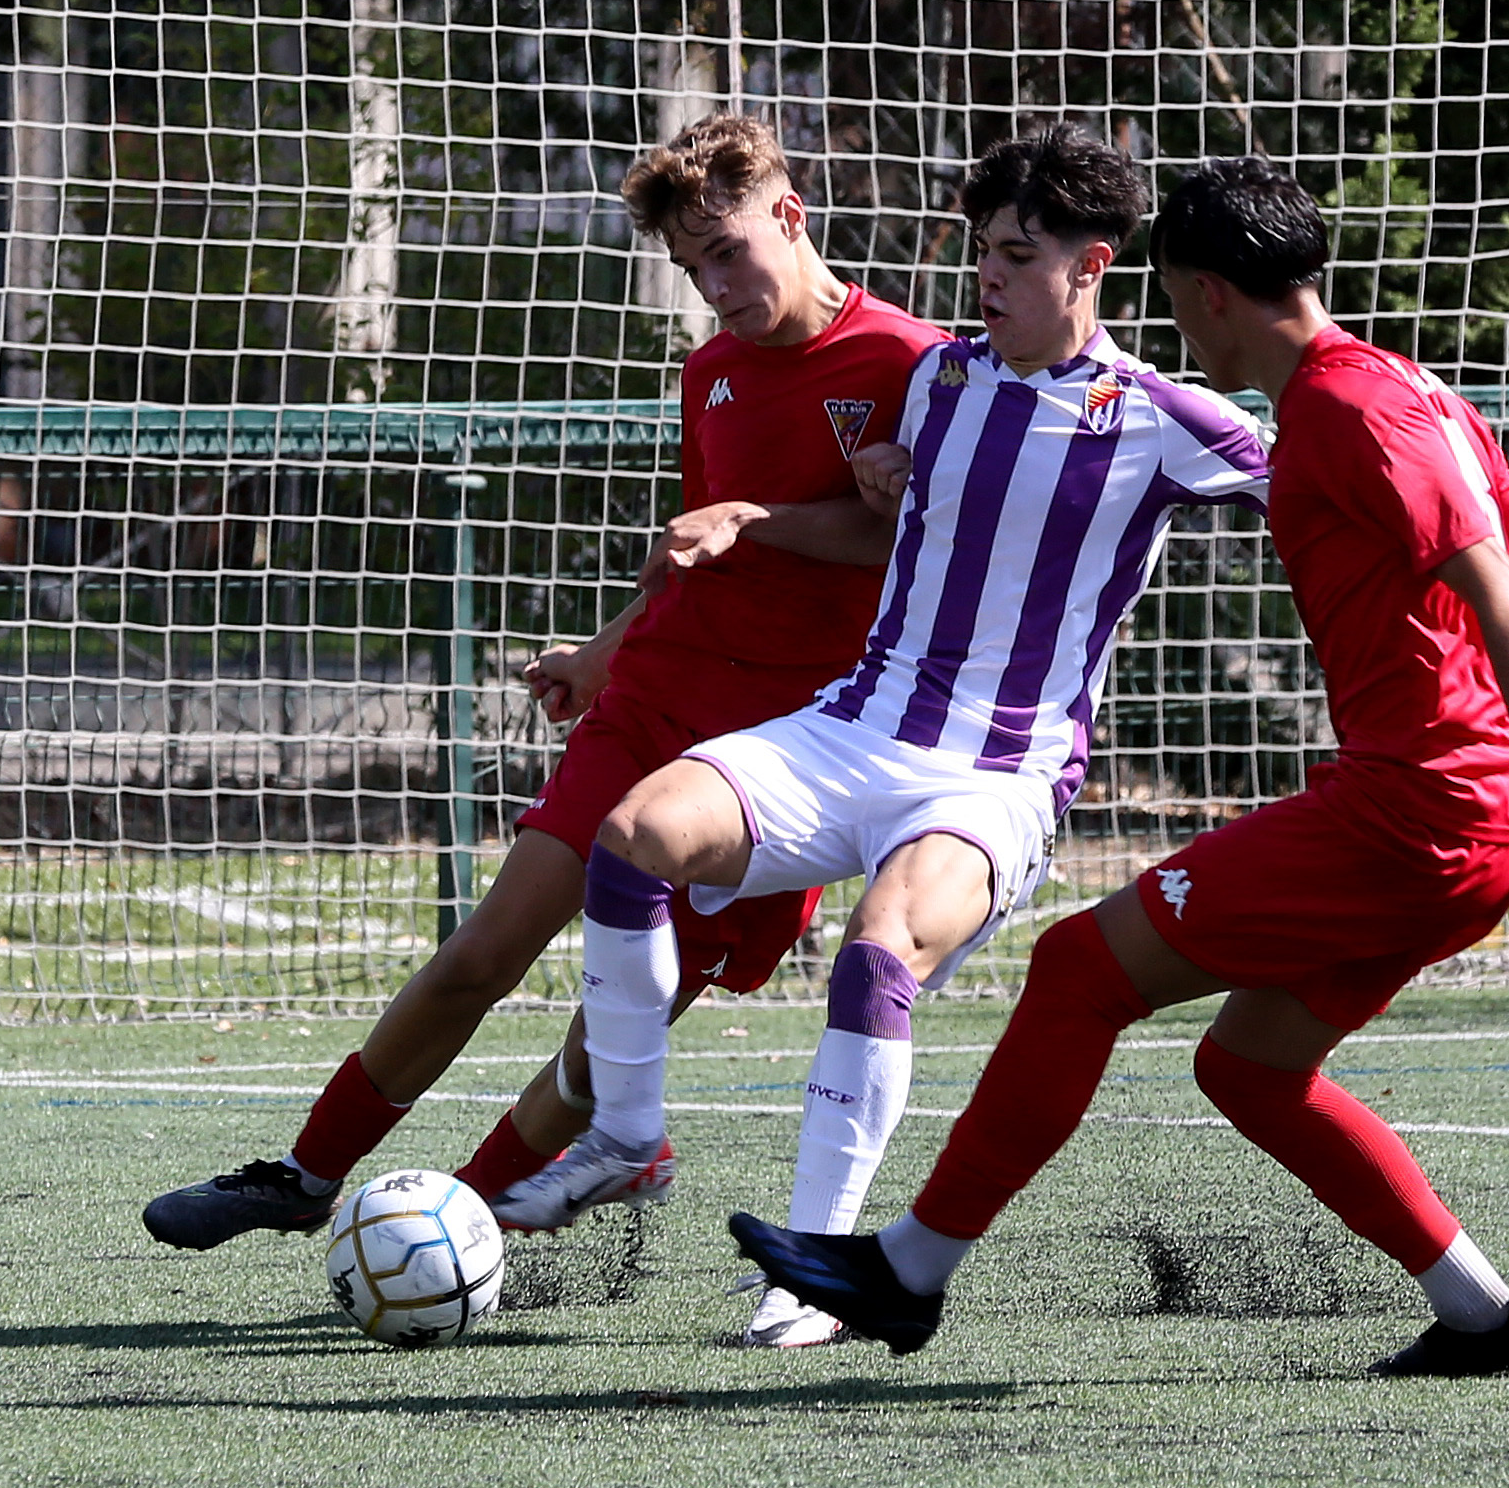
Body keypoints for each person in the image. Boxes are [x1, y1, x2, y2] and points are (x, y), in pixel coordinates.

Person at [728, 155, 1509, 1377]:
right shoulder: (1406, 383)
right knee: (1249, 1069)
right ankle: (1484, 1315)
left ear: (1206, 294)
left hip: (1411, 810)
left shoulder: (1349, 411)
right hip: (1456, 823)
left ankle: (905, 1274)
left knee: (1077, 970)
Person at [141, 116, 943, 1348]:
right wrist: (599, 653)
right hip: (657, 704)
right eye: (694, 270)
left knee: (605, 1038)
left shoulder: (912, 363)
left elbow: (896, 543)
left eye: (729, 253)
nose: (718, 289)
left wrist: (758, 514)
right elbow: (697, 552)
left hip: (789, 759)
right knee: (486, 945)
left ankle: (454, 1222)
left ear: (789, 213)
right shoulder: (710, 371)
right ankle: (302, 1179)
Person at [490, 129, 1273, 1356]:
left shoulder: (1166, 420)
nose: (988, 276)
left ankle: (809, 1277)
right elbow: (850, 485)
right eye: (979, 252)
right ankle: (628, 1135)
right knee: (634, 838)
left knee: (876, 951)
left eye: (1017, 255)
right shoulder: (935, 379)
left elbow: (1327, 484)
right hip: (856, 723)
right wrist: (806, 499)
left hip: (998, 771)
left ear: (1091, 268)